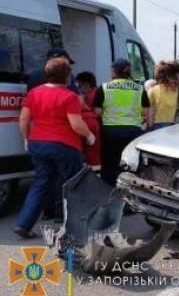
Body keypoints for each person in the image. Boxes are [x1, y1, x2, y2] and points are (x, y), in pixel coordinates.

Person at [14, 57, 95, 238]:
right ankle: (74, 229)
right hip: (64, 146)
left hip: (38, 144)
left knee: (40, 183)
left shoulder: (34, 93)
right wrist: (90, 136)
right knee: (73, 185)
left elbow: (24, 119)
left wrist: (27, 138)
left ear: (47, 74)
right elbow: (76, 124)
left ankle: (23, 224)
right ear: (67, 75)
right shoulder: (69, 96)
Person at [93, 58, 150, 185]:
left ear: (114, 71)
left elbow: (97, 112)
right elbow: (145, 113)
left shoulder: (104, 88)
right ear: (129, 71)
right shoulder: (140, 89)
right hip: (132, 132)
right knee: (130, 163)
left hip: (110, 132)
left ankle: (109, 190)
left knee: (109, 163)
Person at [148, 60, 179, 130]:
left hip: (158, 129)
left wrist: (150, 128)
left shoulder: (152, 90)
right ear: (178, 75)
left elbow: (150, 114)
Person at [76, 71, 102, 171]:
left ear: (86, 83)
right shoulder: (99, 91)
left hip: (90, 125)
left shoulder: (89, 96)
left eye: (80, 84)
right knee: (95, 153)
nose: (78, 87)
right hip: (98, 126)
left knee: (91, 154)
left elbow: (94, 113)